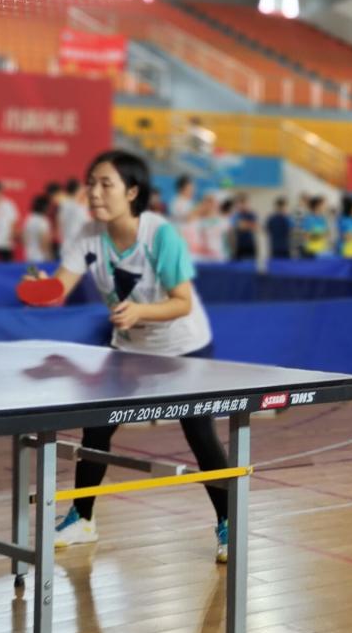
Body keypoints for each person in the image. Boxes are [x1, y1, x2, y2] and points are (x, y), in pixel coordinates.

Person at [22, 150, 230, 563]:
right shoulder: (87, 236)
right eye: (91, 183)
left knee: (199, 432)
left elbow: (182, 302)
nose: (94, 192)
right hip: (131, 347)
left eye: (106, 184)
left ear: (132, 192)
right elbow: (59, 288)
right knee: (96, 427)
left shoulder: (160, 236)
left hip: (183, 347)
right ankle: (83, 518)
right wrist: (42, 288)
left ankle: (229, 521)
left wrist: (140, 312)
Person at [57, 178, 89, 247]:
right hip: (77, 245)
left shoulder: (63, 205)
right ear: (78, 190)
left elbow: (59, 224)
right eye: (81, 188)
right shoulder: (79, 208)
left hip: (65, 244)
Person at [23, 195, 53, 263]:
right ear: (45, 207)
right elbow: (44, 242)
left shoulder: (29, 219)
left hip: (29, 257)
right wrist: (49, 257)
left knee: (31, 270)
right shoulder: (43, 221)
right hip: (41, 259)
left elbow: (24, 238)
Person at [231, 192, 258, 261]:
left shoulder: (252, 214)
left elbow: (256, 227)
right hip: (238, 245)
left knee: (251, 264)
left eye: (245, 203)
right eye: (241, 203)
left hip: (250, 244)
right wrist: (249, 225)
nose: (243, 205)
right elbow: (239, 226)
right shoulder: (235, 214)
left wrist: (244, 224)